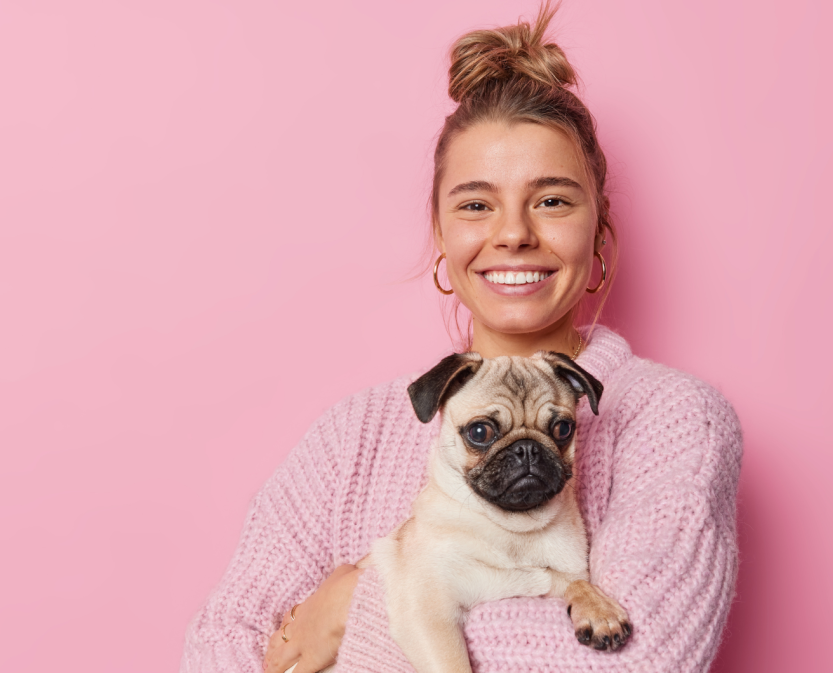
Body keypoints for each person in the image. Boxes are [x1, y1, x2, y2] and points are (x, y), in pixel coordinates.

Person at [181, 5, 741, 673]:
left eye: (552, 200)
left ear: (598, 228)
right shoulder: (351, 435)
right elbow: (220, 644)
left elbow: (632, 660)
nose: (513, 234)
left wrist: (353, 608)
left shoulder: (670, 419)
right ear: (441, 233)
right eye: (476, 204)